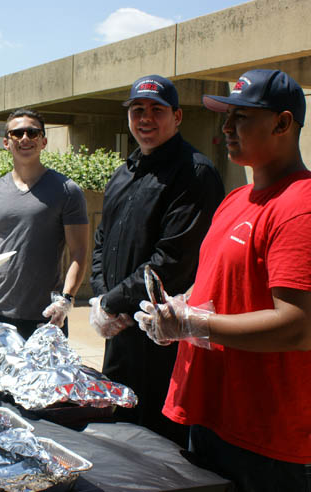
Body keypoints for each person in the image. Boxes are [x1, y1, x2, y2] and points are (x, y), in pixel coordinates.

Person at [134, 69, 311, 490]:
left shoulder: (307, 210)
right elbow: (216, 286)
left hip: (266, 439)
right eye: (227, 116)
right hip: (212, 415)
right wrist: (178, 309)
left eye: (242, 117)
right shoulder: (236, 199)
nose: (227, 127)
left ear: (283, 123)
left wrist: (193, 325)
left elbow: (298, 326)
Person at [88, 75, 224, 446]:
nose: (145, 118)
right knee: (118, 435)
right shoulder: (124, 172)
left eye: (156, 110)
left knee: (159, 447)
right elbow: (103, 241)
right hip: (119, 333)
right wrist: (102, 299)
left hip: (163, 339)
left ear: (177, 117)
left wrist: (112, 301)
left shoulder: (194, 173)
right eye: (137, 110)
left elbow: (172, 259)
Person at [0, 108, 89, 339]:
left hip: (48, 315)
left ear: (43, 141)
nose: (25, 138)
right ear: (6, 142)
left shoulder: (67, 191)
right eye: (17, 133)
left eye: (32, 133)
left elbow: (79, 253)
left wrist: (66, 299)